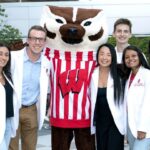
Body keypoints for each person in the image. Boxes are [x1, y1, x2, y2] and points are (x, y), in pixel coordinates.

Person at [9, 25, 50, 150]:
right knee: (11, 146)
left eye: (41, 39)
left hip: (32, 111)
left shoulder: (47, 63)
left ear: (44, 42)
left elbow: (48, 89)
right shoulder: (13, 57)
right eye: (34, 38)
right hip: (11, 108)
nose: (37, 42)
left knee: (30, 147)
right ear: (28, 40)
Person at [90, 43, 126, 150]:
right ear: (97, 56)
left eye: (108, 55)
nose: (104, 58)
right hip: (100, 123)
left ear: (113, 57)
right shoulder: (92, 73)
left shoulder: (120, 74)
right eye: (102, 54)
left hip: (116, 122)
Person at [122, 45, 150, 150]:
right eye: (127, 57)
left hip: (144, 126)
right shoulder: (128, 77)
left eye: (134, 56)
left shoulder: (147, 75)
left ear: (140, 57)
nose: (130, 59)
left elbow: (148, 103)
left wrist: (142, 128)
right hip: (130, 125)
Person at [0, 43, 18, 150]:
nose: (3, 57)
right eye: (0, 54)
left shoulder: (7, 76)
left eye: (6, 55)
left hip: (7, 121)